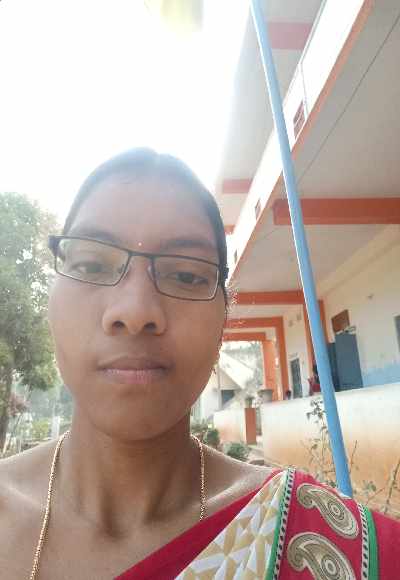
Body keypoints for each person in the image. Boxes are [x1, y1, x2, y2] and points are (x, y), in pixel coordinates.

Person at [0, 149, 398, 579]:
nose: (135, 311)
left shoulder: (344, 547)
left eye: (187, 275)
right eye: (92, 265)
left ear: (223, 317)